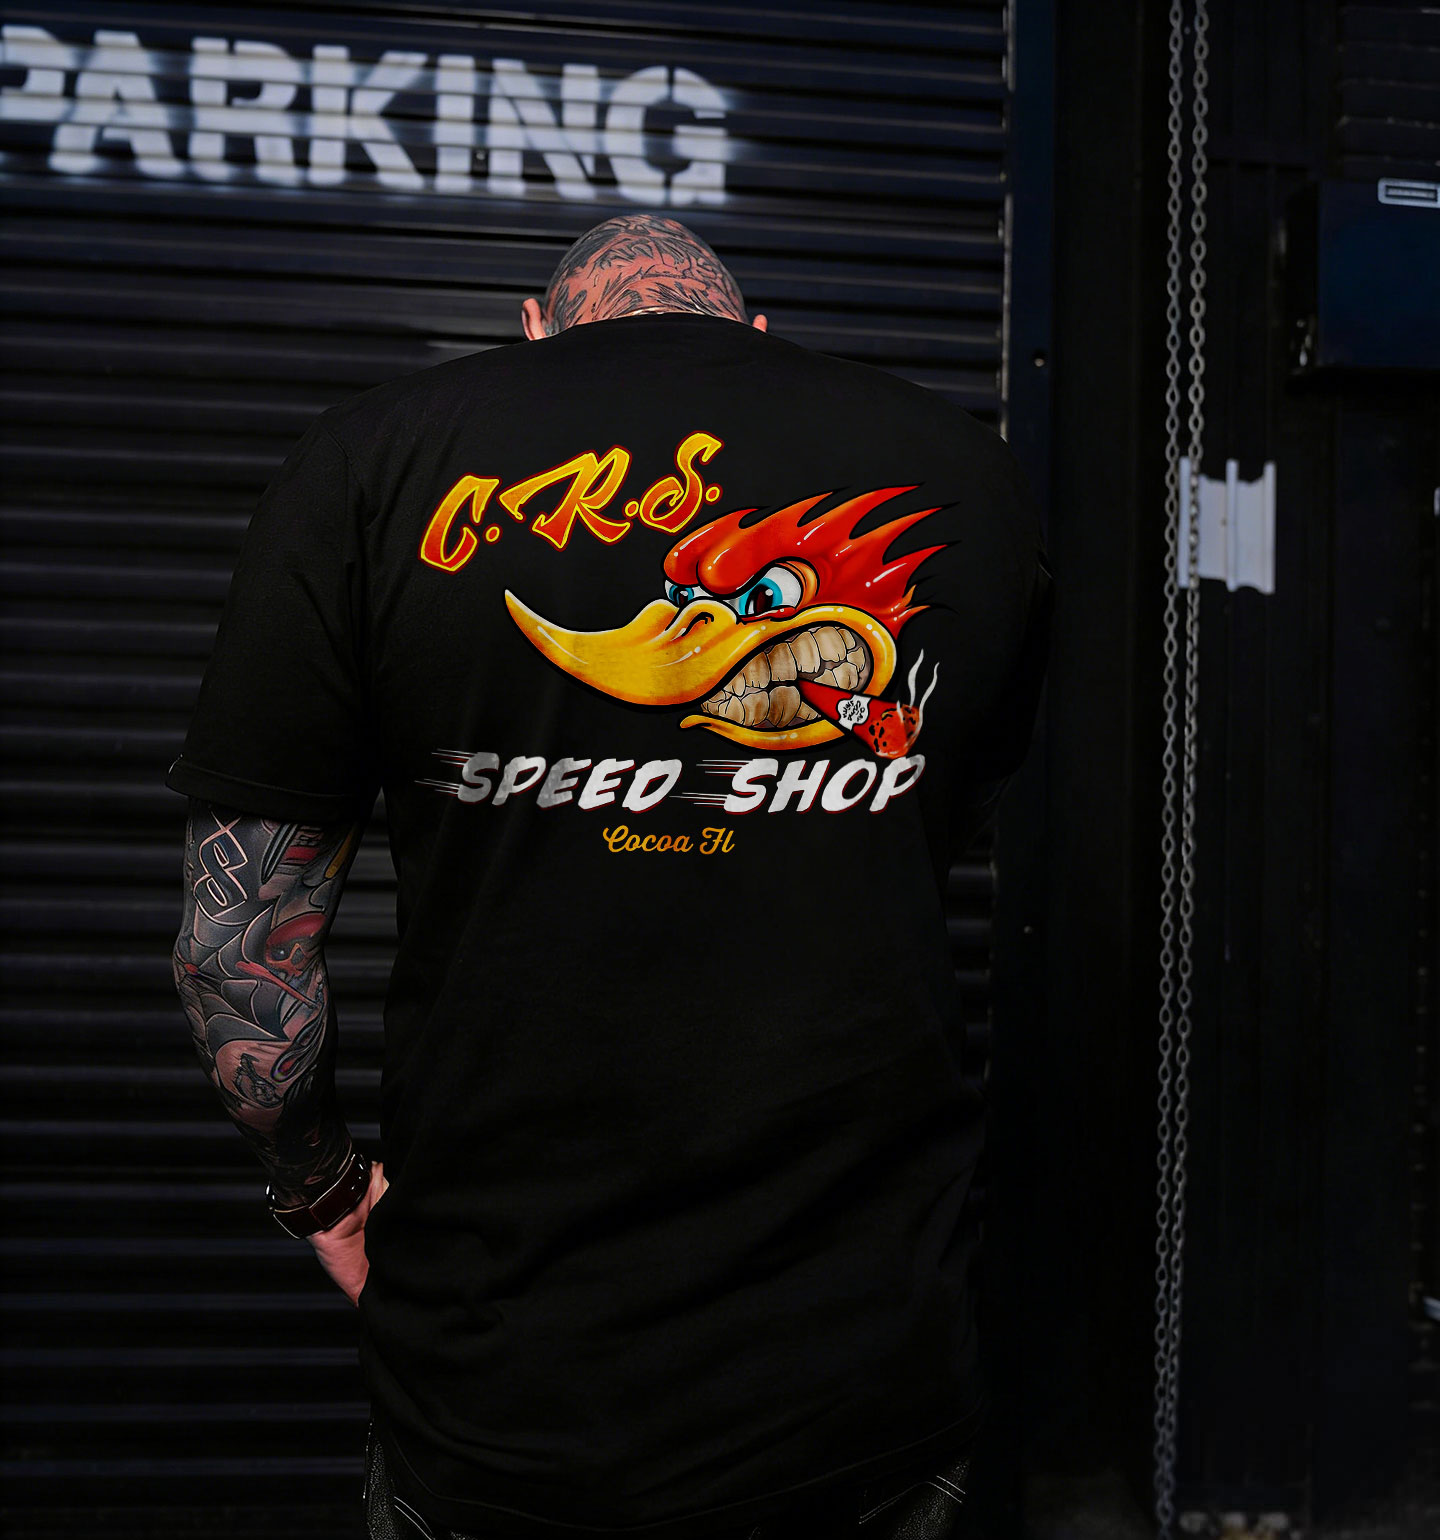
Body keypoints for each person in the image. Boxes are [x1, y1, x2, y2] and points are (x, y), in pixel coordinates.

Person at [169, 214, 1053, 1540]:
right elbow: (942, 827)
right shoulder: (968, 474)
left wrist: (324, 1190)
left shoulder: (373, 458)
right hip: (857, 1367)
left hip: (501, 1380)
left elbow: (234, 950)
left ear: (534, 329)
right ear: (754, 334)